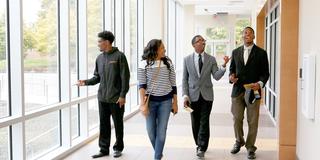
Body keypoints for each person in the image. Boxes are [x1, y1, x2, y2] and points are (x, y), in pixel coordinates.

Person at [76, 31, 130, 158]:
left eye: (99, 41)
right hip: (102, 98)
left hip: (116, 98)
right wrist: (86, 82)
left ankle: (118, 148)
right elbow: (97, 77)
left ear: (106, 42)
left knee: (118, 124)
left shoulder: (120, 56)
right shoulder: (99, 58)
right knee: (103, 124)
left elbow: (125, 78)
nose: (98, 44)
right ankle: (104, 149)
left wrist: (122, 95)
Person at [182, 35, 229, 158]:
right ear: (194, 45)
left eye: (203, 40)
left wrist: (223, 65)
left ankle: (201, 146)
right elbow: (184, 80)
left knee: (204, 121)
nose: (202, 42)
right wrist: (185, 95)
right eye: (199, 41)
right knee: (195, 121)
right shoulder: (187, 59)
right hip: (192, 96)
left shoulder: (211, 59)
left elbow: (217, 76)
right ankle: (198, 144)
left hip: (207, 96)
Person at [229, 26, 269, 159]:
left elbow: (265, 73)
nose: (246, 35)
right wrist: (231, 77)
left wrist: (260, 84)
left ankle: (250, 147)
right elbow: (232, 70)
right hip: (237, 91)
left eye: (249, 33)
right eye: (244, 33)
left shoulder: (261, 53)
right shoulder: (235, 52)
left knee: (253, 121)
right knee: (237, 119)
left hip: (254, 91)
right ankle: (239, 141)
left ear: (253, 36)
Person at [138, 39, 178, 160]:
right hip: (150, 102)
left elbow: (173, 84)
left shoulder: (168, 63)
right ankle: (159, 153)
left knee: (161, 131)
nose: (164, 50)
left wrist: (175, 103)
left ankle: (157, 158)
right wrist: (143, 104)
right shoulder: (143, 64)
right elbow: (142, 86)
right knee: (150, 132)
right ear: (155, 50)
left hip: (166, 101)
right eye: (162, 48)